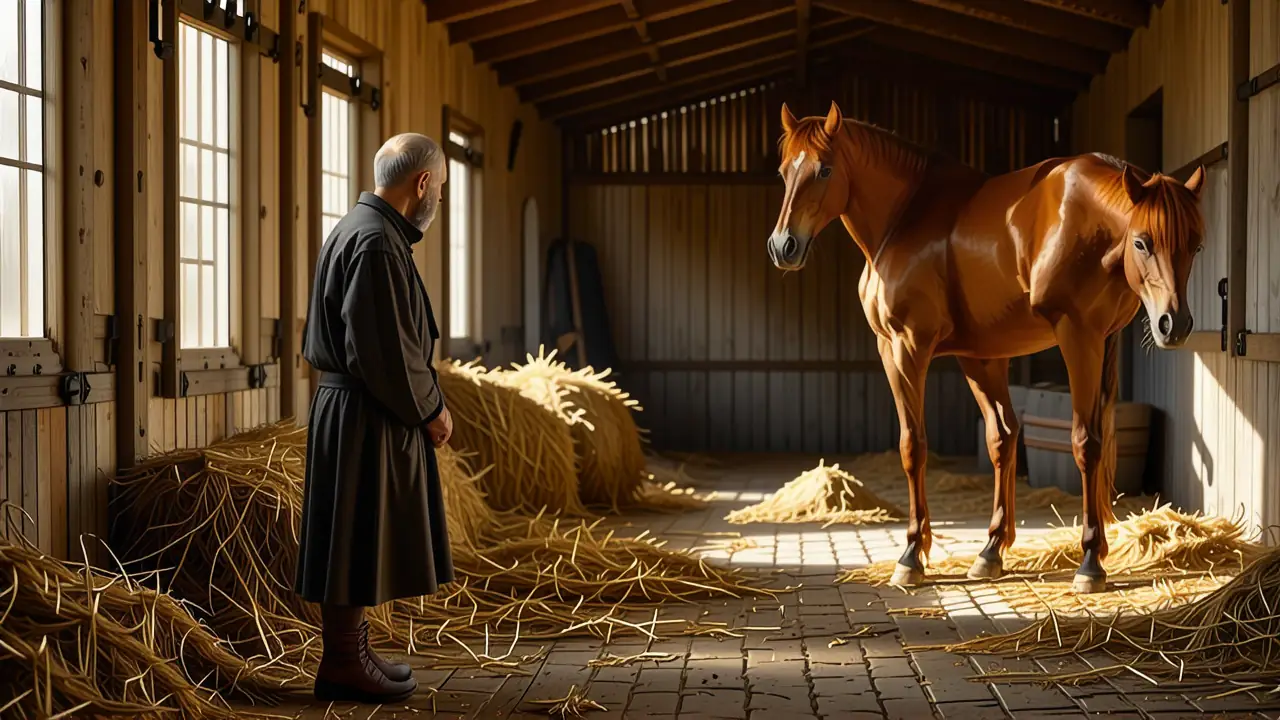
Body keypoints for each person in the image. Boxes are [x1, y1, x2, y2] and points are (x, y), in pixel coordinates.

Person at [295, 133, 455, 703]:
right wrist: (431, 408)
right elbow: (386, 349)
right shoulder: (377, 243)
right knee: (354, 531)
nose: (439, 199)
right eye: (440, 187)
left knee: (355, 529)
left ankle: (351, 651)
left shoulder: (360, 229)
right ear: (422, 183)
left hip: (355, 404)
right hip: (365, 407)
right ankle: (342, 660)